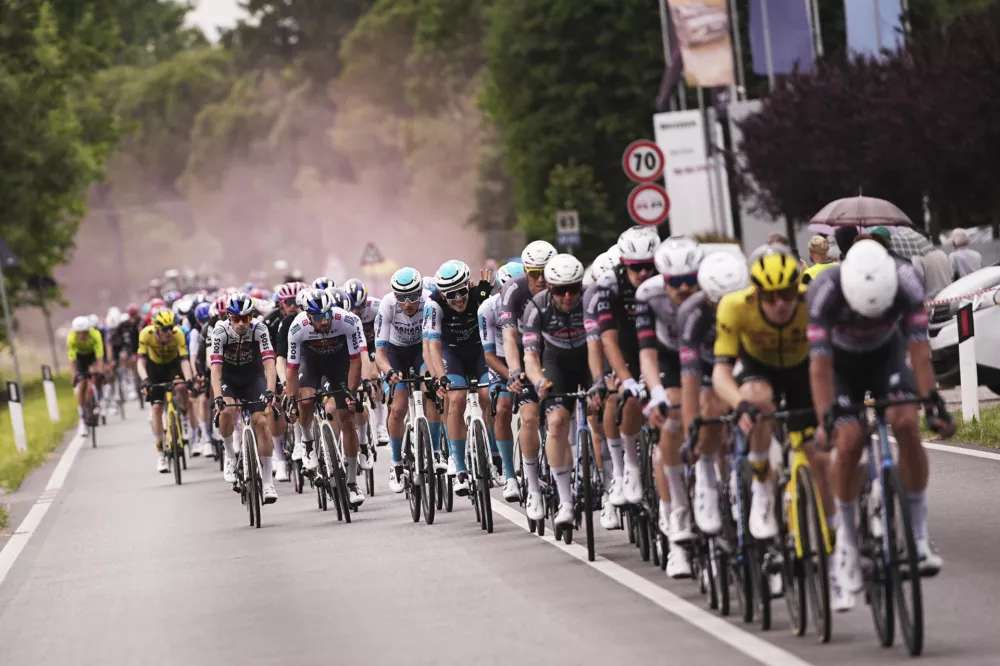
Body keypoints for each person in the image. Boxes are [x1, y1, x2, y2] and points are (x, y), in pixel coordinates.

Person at [808, 239, 954, 607]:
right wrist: (826, 418)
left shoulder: (906, 281)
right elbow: (820, 367)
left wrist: (932, 402)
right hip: (839, 365)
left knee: (906, 422)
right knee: (849, 438)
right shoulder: (824, 291)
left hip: (886, 356)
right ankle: (847, 543)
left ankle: (919, 537)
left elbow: (920, 350)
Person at [636, 235, 704, 579]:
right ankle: (676, 511)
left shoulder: (713, 287)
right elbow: (646, 354)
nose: (682, 289)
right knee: (673, 418)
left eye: (689, 281)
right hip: (670, 358)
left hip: (706, 351)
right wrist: (657, 392)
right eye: (674, 283)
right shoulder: (648, 295)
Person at [523, 254, 590, 530]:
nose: (566, 296)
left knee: (601, 414)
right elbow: (530, 356)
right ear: (549, 288)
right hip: (555, 362)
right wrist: (538, 381)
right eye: (560, 290)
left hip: (588, 357)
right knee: (557, 421)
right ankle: (565, 502)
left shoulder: (590, 300)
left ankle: (612, 485)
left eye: (573, 289)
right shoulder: (537, 307)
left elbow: (605, 343)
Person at [284, 289, 368, 507]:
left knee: (347, 417)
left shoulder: (348, 321)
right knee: (305, 399)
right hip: (310, 363)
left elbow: (356, 362)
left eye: (328, 314)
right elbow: (292, 370)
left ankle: (351, 482)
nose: (325, 320)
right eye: (319, 317)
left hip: (340, 364)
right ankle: (308, 443)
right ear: (308, 316)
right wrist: (292, 402)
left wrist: (350, 393)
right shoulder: (297, 327)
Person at [424, 261, 493, 497]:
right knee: (457, 398)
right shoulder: (433, 304)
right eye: (450, 295)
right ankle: (459, 465)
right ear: (442, 293)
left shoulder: (479, 294)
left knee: (488, 394)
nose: (458, 299)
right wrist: (440, 377)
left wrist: (485, 294)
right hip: (450, 353)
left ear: (468, 284)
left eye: (462, 292)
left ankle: (493, 453)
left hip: (478, 351)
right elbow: (433, 345)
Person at [210, 293, 279, 500]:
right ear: (229, 317)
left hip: (253, 378)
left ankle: (267, 482)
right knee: (227, 411)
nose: (241, 324)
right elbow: (215, 369)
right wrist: (217, 397)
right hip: (229, 380)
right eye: (236, 319)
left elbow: (269, 362)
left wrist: (270, 390)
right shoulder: (220, 331)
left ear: (252, 317)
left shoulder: (260, 328)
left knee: (262, 421)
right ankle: (230, 454)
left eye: (246, 318)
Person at [376, 267, 429, 494]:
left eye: (413, 296)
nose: (408, 303)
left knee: (430, 388)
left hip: (421, 349)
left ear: (421, 292)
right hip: (395, 352)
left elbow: (434, 345)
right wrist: (389, 372)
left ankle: (434, 448)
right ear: (394, 296)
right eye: (401, 297)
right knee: (397, 407)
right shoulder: (387, 305)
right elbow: (379, 353)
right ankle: (396, 463)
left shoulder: (429, 302)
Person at [137, 310, 194, 473]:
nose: (169, 332)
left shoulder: (178, 335)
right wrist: (145, 379)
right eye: (165, 329)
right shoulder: (145, 335)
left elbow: (184, 360)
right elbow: (140, 362)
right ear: (156, 329)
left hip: (172, 366)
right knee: (156, 408)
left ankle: (184, 420)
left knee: (181, 386)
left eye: (171, 328)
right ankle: (160, 453)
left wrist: (189, 378)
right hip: (154, 369)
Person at [68, 316, 105, 437]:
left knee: (96, 376)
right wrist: (74, 376)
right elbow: (72, 360)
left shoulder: (95, 335)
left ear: (88, 331)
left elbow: (99, 355)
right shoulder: (72, 338)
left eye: (85, 333)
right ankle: (82, 420)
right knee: (82, 382)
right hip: (80, 359)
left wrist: (100, 370)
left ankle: (99, 399)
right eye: (79, 333)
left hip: (93, 356)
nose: (82, 336)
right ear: (76, 332)